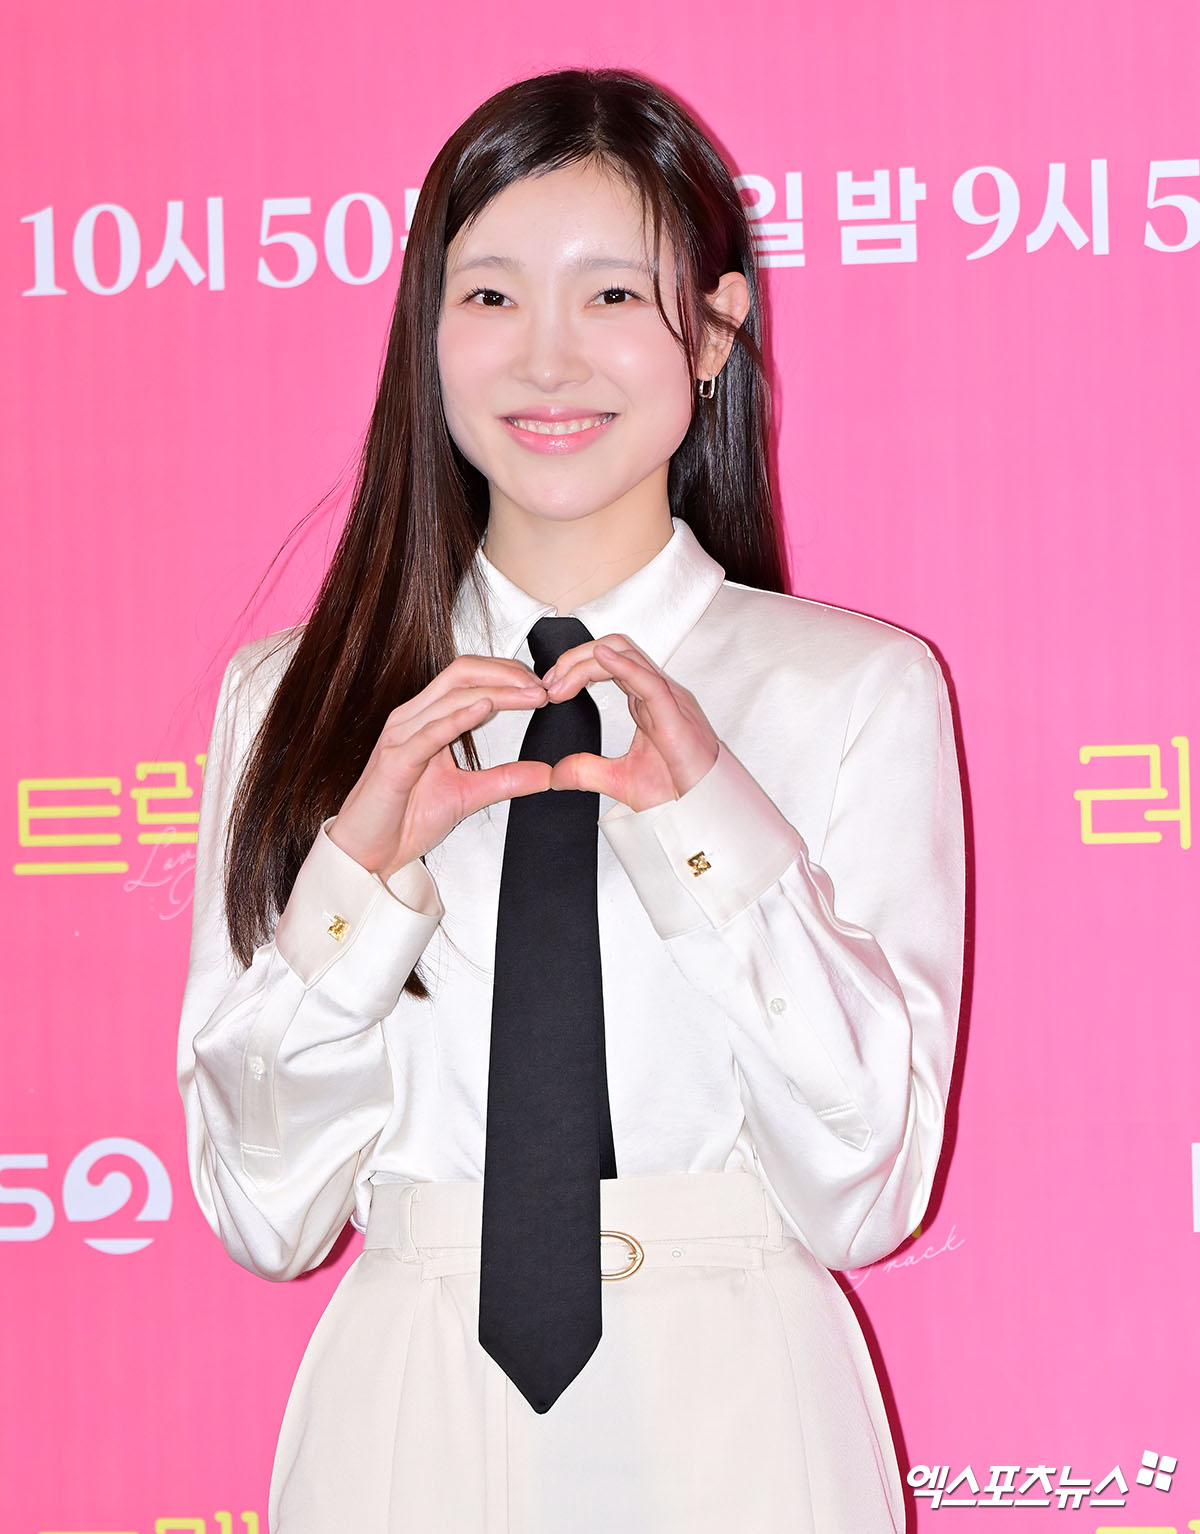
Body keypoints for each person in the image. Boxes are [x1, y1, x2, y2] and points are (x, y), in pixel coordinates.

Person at [178, 67, 965, 1534]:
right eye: (490, 297)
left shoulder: (855, 688)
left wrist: (713, 832)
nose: (548, 359)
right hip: (402, 1419)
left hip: (742, 1413)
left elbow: (866, 1191)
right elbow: (261, 1209)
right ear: (427, 333)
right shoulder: (293, 699)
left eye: (611, 296)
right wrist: (360, 881)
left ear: (714, 331)